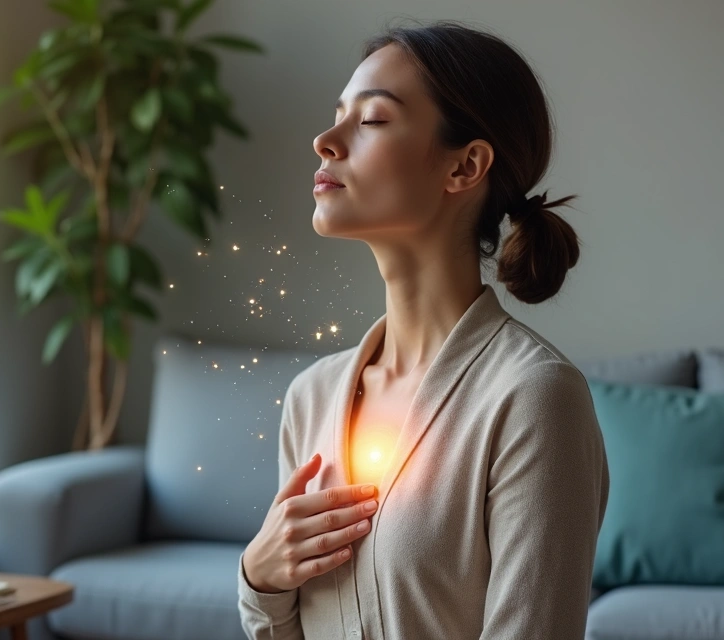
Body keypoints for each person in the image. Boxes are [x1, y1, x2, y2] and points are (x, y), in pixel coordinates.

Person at [237, 20, 610, 640]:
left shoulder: (534, 398)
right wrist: (260, 580)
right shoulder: (311, 398)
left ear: (465, 166)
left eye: (373, 120)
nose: (325, 141)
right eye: (337, 115)